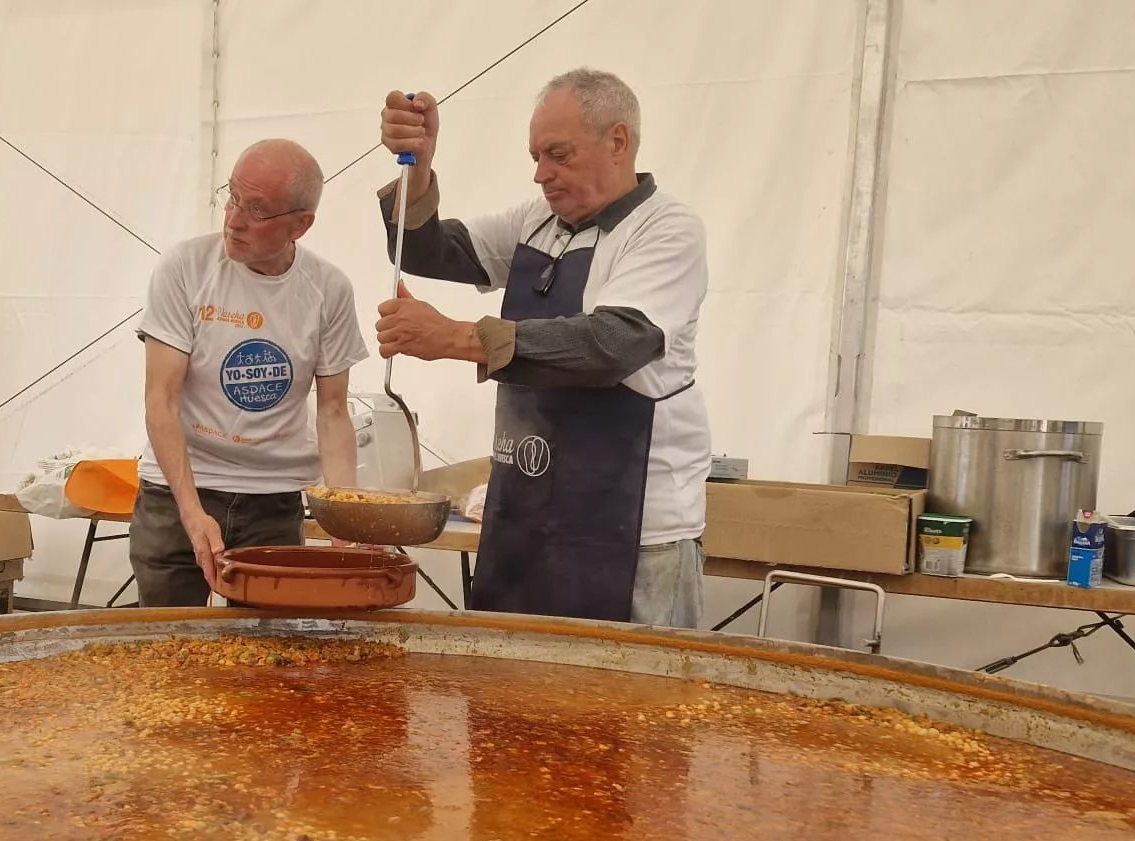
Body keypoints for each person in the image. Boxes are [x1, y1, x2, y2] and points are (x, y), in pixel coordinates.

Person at [373, 68, 711, 628]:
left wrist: (455, 338)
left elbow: (613, 342)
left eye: (558, 155)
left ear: (618, 141)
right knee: (510, 709)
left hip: (634, 536)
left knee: (632, 712)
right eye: (536, 157)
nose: (541, 176)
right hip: (526, 520)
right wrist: (421, 169)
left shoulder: (666, 229)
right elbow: (431, 251)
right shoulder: (539, 221)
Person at [131, 139, 368, 606]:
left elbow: (334, 412)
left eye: (257, 209)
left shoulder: (328, 289)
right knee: (166, 657)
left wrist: (346, 519)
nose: (234, 219)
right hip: (178, 487)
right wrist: (192, 511)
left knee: (266, 662)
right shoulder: (185, 268)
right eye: (233, 196)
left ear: (301, 225)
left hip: (272, 499)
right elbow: (162, 399)